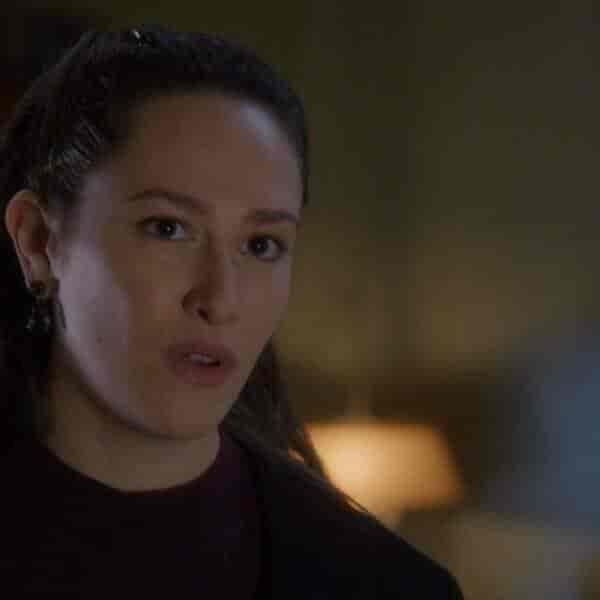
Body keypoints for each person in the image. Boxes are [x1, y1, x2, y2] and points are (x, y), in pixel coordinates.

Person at [0, 25, 463, 598]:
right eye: (167, 229)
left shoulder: (389, 586)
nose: (220, 300)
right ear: (39, 241)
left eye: (261, 245)